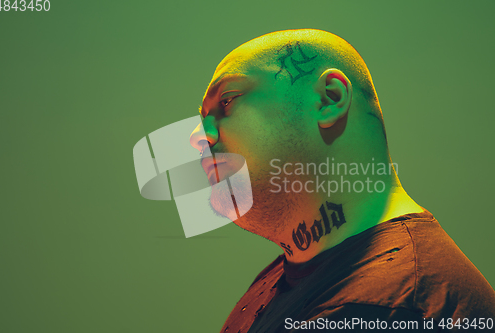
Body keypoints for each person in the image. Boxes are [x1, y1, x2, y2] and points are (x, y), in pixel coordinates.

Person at [189, 29, 495, 332]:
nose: (197, 136)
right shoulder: (291, 274)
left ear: (329, 98)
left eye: (227, 100)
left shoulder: (393, 308)